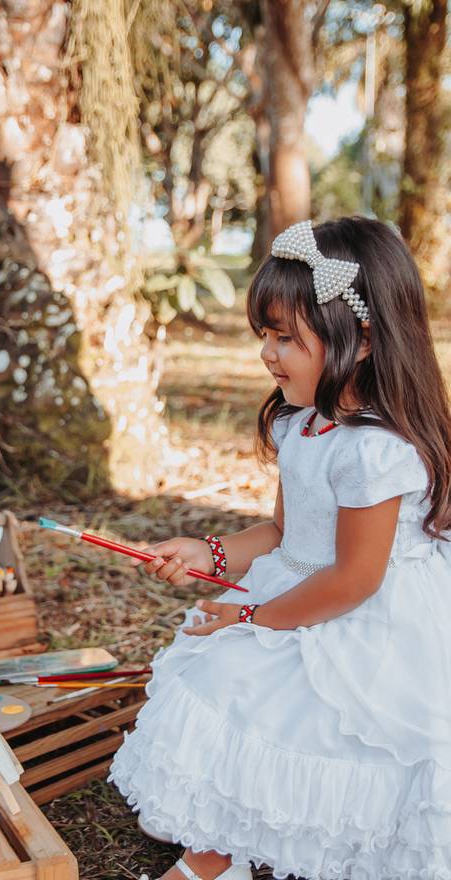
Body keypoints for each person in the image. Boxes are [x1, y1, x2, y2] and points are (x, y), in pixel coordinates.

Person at [108, 217, 451, 880]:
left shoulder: (377, 452)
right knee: (227, 688)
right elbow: (281, 535)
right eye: (264, 335)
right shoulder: (304, 424)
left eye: (286, 337)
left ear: (365, 339)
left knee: (288, 712)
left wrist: (250, 618)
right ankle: (221, 850)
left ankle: (224, 856)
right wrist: (209, 553)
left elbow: (353, 579)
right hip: (299, 593)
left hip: (364, 625)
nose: (268, 353)